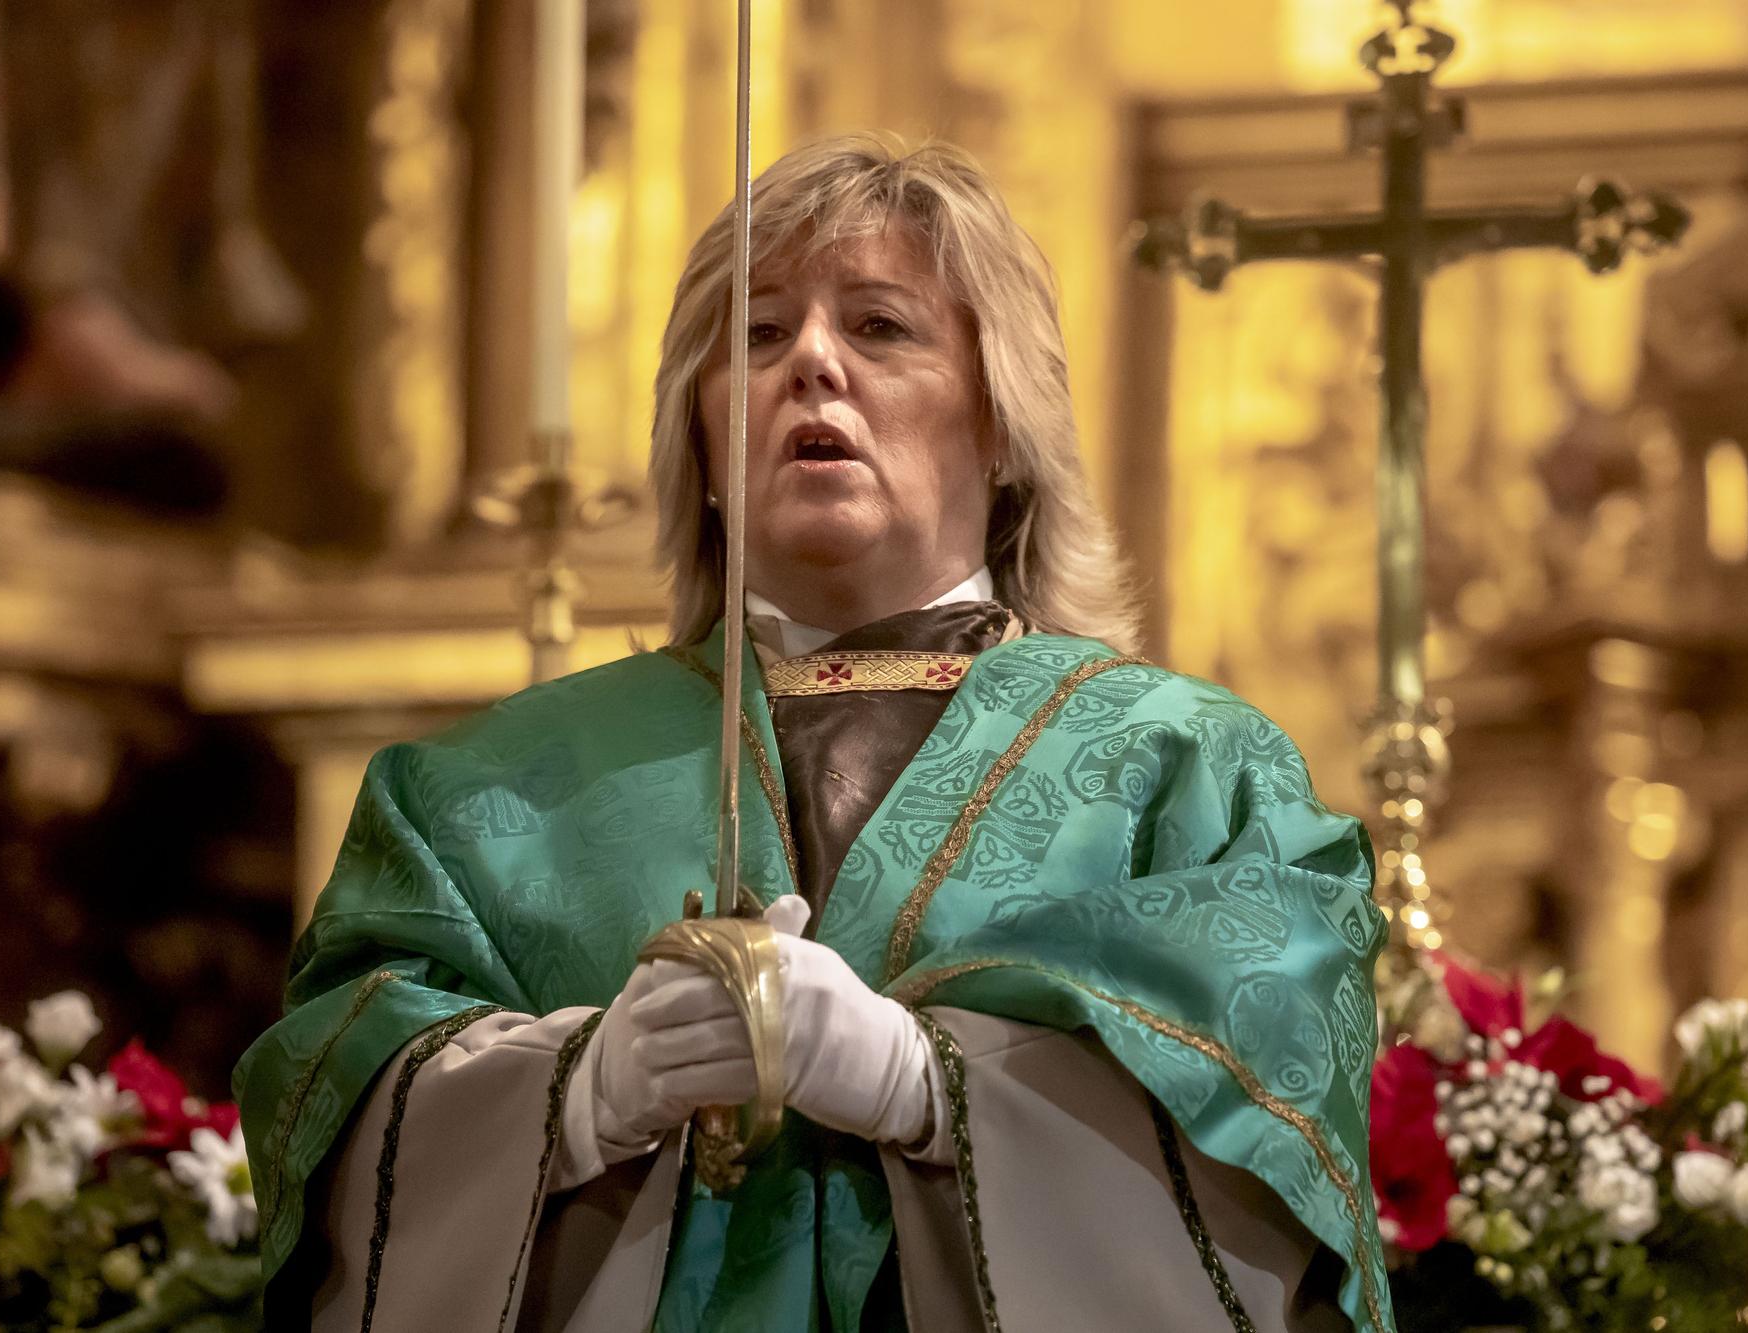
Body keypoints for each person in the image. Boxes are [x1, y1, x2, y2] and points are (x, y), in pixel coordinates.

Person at [236, 133, 1393, 1333]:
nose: (811, 366)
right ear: (700, 438)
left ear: (1005, 426)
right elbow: (323, 1110)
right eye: (755, 334)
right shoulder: (484, 794)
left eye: (883, 328)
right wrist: (571, 1095)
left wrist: (933, 1087)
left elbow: (1278, 1117)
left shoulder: (1190, 772)